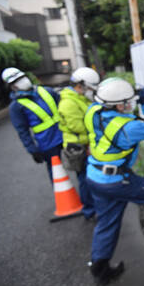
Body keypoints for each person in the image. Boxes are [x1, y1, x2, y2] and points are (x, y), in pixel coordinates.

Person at [84, 77, 144, 286]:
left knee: (107, 222)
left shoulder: (93, 110)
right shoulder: (126, 128)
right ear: (118, 106)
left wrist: (124, 94)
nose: (130, 105)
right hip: (115, 180)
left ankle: (100, 269)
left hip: (94, 175)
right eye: (127, 102)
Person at [2, 67, 63, 180]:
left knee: (79, 164)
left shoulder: (46, 90)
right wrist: (32, 150)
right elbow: (22, 131)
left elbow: (64, 107)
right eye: (17, 80)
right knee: (57, 173)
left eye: (22, 77)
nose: (23, 81)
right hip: (48, 142)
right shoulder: (16, 107)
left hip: (66, 134)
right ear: (12, 86)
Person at [58, 67, 100, 220]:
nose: (90, 91)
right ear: (80, 85)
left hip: (86, 143)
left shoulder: (80, 98)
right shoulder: (68, 102)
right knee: (85, 179)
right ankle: (90, 210)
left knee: (90, 177)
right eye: (89, 88)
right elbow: (78, 126)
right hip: (79, 146)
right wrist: (98, 129)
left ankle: (95, 207)